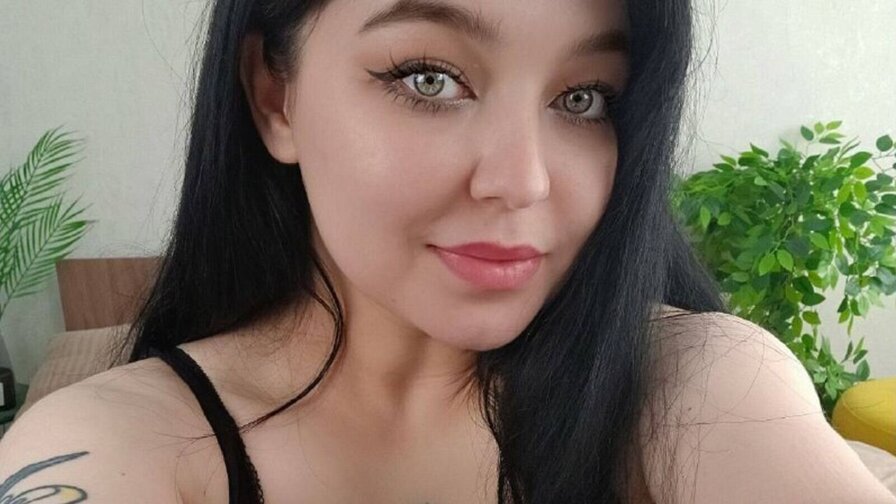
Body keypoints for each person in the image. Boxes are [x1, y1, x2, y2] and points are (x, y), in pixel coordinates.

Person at [1, 0, 894, 502]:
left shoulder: (691, 385)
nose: (523, 181)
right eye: (429, 79)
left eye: (585, 97)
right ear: (276, 96)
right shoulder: (115, 448)